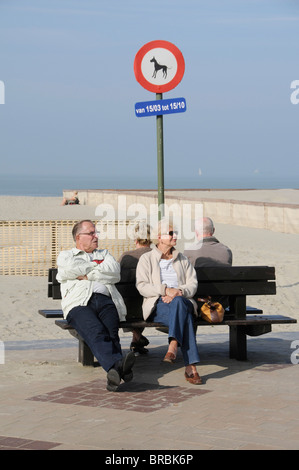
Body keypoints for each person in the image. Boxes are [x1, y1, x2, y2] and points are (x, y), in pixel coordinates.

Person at [56, 219, 135, 392]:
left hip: (106, 300)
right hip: (78, 303)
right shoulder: (66, 255)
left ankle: (114, 375)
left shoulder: (105, 254)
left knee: (112, 335)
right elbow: (68, 270)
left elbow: (114, 273)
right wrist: (97, 269)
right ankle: (118, 366)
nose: (96, 236)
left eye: (95, 232)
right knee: (96, 331)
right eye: (91, 233)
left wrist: (86, 274)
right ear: (78, 237)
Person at [136, 218, 202, 385]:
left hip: (182, 300)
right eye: (171, 233)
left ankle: (173, 345)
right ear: (160, 237)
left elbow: (192, 284)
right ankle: (190, 367)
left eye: (176, 233)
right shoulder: (147, 259)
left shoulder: (182, 259)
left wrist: (180, 292)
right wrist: (165, 290)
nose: (175, 237)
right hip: (159, 304)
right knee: (185, 318)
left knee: (180, 303)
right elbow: (142, 286)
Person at [184, 216, 233, 309]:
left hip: (198, 302)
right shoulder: (226, 251)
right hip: (221, 303)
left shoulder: (189, 251)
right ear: (213, 230)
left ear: (196, 232)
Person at [118, 222, 152, 355]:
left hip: (129, 308)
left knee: (130, 301)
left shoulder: (126, 257)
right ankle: (136, 340)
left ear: (135, 239)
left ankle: (137, 338)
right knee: (142, 300)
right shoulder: (158, 255)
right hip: (149, 306)